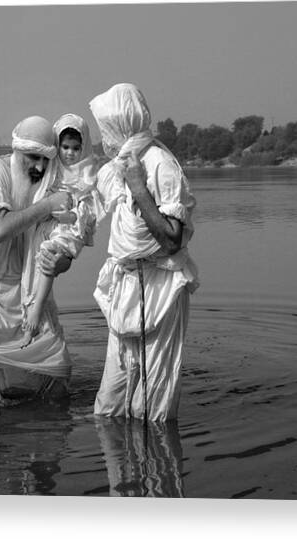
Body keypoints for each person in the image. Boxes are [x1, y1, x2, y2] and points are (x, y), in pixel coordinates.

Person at [88, 83, 199, 422]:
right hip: (126, 284)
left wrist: (138, 188)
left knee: (151, 410)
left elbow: (171, 240)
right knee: (109, 408)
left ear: (119, 125)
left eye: (105, 127)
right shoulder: (117, 166)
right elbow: (88, 207)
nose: (102, 135)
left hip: (160, 286)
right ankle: (119, 469)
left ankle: (158, 471)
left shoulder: (160, 165)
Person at [0, 115, 75, 403]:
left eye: (46, 160)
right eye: (33, 158)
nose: (39, 167)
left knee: (57, 365)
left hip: (31, 296)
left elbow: (62, 246)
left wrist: (61, 263)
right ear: (17, 151)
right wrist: (47, 205)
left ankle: (44, 435)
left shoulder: (50, 183)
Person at [21, 113, 101, 347]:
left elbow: (87, 210)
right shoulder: (52, 168)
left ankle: (35, 314)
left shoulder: (87, 172)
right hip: (48, 223)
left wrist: (68, 215)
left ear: (83, 149)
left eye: (76, 148)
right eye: (65, 147)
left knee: (48, 253)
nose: (70, 153)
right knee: (35, 264)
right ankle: (32, 317)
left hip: (69, 228)